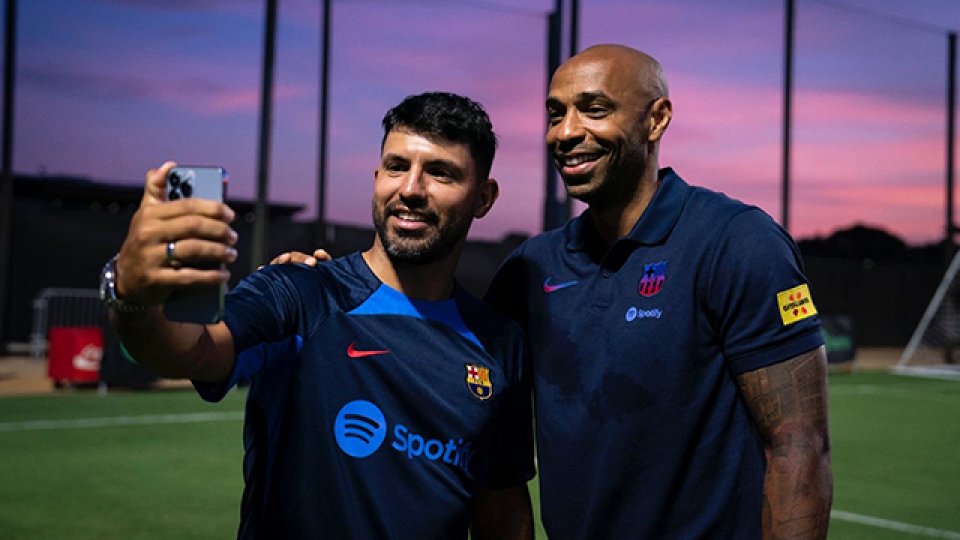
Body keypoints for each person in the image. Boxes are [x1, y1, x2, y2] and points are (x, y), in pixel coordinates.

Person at [281, 45, 833, 539]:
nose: (565, 132)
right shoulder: (531, 267)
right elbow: (448, 370)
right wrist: (330, 287)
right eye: (555, 114)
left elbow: (798, 444)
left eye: (594, 109)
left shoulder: (736, 241)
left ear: (656, 119)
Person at [99, 92, 535, 540]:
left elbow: (501, 506)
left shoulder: (500, 343)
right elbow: (186, 350)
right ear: (377, 176)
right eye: (397, 166)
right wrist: (131, 292)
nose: (410, 189)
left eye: (440, 173)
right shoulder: (302, 291)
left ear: (483, 197)